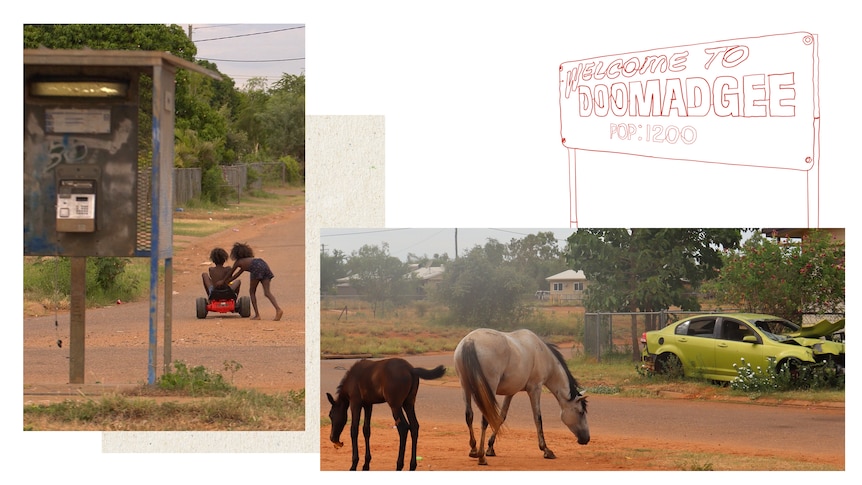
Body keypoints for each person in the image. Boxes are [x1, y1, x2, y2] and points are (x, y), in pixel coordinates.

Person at [220, 242, 283, 321]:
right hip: (263, 265)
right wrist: (229, 280)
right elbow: (237, 274)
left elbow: (231, 273)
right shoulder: (249, 260)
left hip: (255, 268)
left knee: (252, 292)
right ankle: (278, 309)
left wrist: (223, 281)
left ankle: (257, 315)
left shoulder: (238, 262)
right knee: (267, 292)